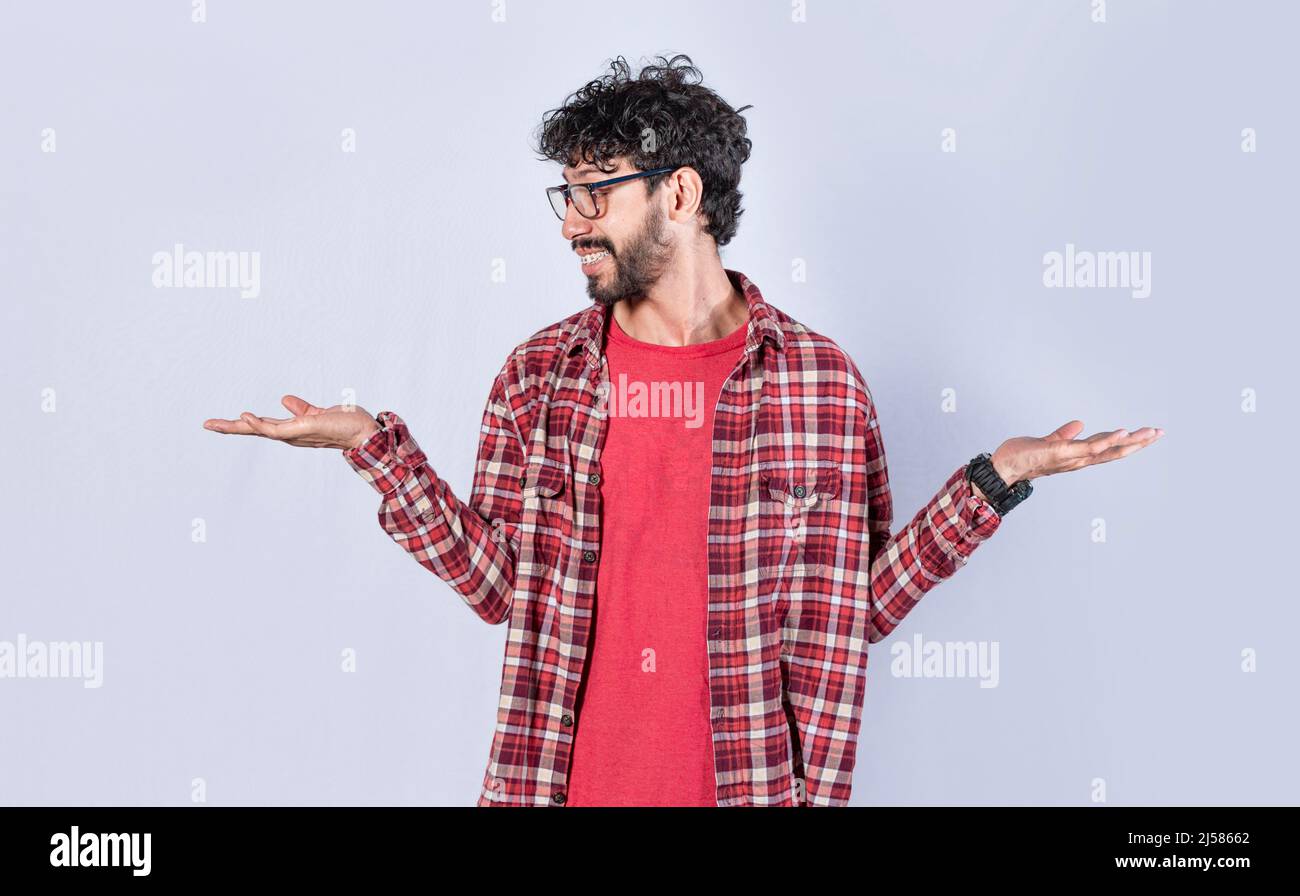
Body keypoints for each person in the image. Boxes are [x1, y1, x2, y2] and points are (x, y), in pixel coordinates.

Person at [204, 54, 1162, 807]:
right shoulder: (541, 378)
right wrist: (377, 451)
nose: (573, 222)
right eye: (565, 195)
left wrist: (991, 482)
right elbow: (498, 587)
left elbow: (854, 611)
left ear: (683, 195)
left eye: (599, 192)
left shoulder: (820, 386)